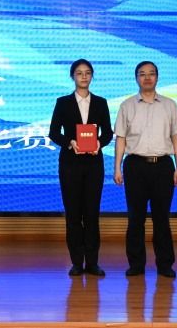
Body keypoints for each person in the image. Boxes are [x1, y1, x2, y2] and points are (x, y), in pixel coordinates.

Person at [114, 61, 177, 278]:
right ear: (136, 78)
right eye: (142, 74)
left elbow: (176, 137)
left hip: (163, 166)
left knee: (161, 218)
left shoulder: (169, 105)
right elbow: (121, 138)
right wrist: (117, 167)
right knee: (135, 218)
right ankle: (136, 264)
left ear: (157, 77)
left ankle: (165, 265)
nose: (147, 78)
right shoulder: (127, 105)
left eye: (151, 74)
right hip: (135, 166)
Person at [49, 59, 113, 277]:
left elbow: (108, 133)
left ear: (92, 76)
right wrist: (70, 142)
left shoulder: (101, 102)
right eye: (79, 73)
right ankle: (77, 262)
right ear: (72, 76)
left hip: (94, 164)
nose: (84, 76)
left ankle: (92, 263)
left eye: (87, 73)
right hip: (70, 164)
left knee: (92, 214)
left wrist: (99, 143)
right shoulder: (63, 102)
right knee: (73, 214)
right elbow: (53, 132)